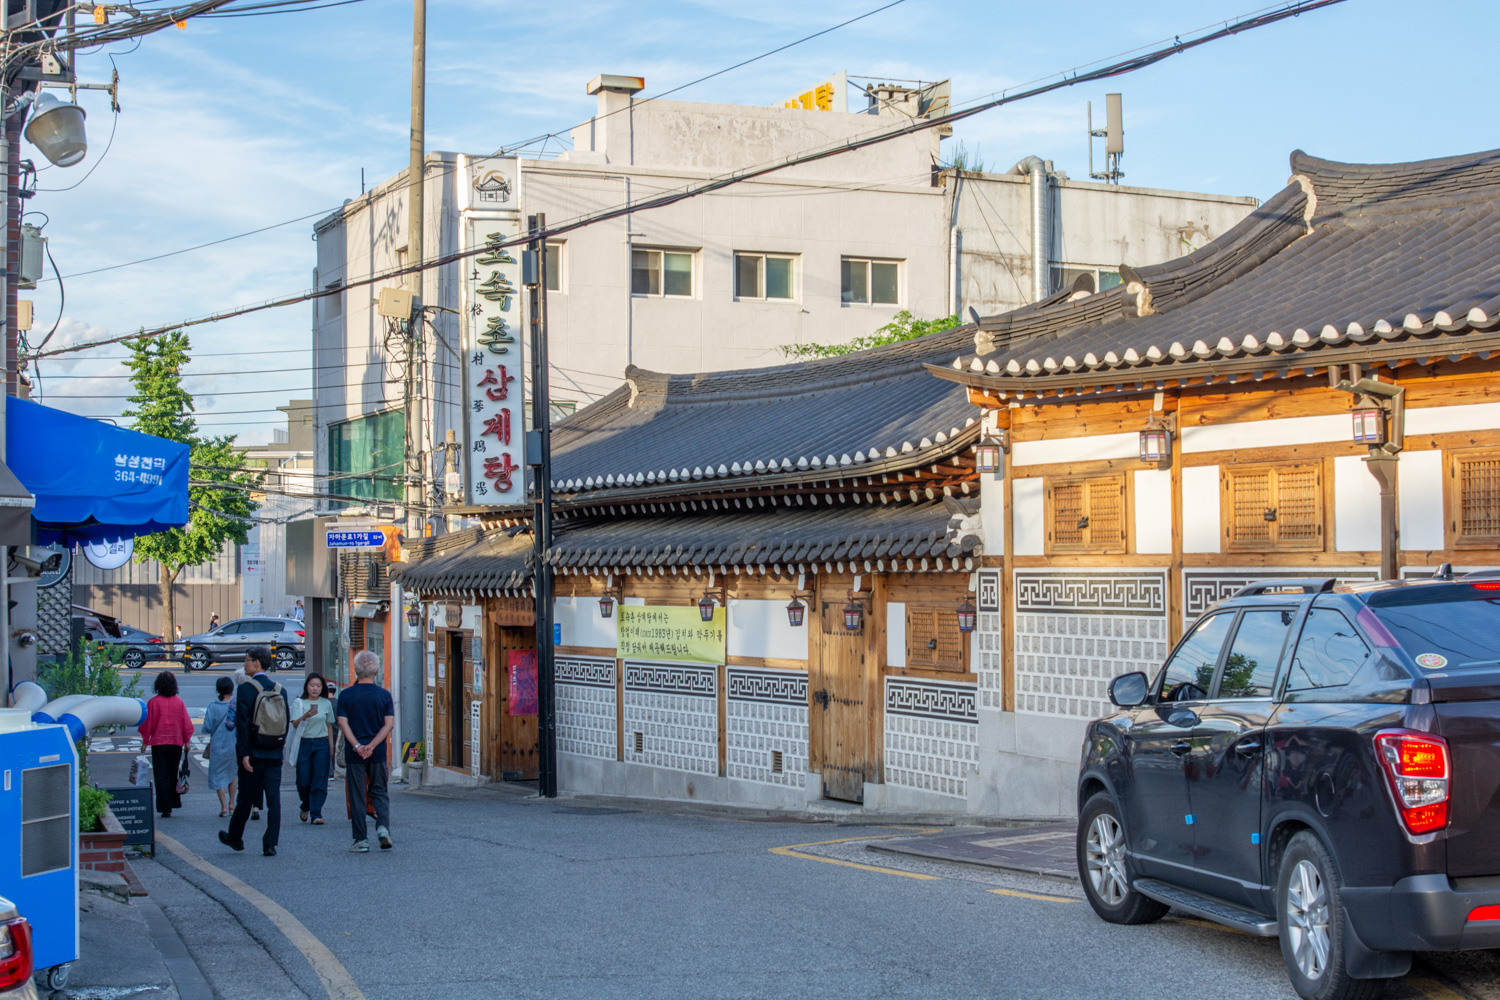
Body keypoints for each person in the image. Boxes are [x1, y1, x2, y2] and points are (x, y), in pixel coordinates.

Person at [219, 646, 289, 857]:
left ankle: (235, 837)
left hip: (254, 753)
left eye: (247, 660)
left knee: (246, 798)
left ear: (257, 663)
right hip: (274, 752)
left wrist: (244, 754)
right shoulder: (280, 690)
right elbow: (284, 723)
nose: (245, 664)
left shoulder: (246, 689)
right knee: (274, 800)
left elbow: (242, 724)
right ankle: (270, 844)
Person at [337, 650, 394, 852]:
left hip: (355, 754)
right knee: (379, 791)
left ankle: (361, 840)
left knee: (357, 794)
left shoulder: (346, 695)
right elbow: (389, 724)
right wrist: (372, 745)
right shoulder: (384, 695)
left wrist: (358, 746)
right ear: (376, 671)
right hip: (377, 753)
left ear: (355, 670)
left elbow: (342, 723)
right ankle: (383, 827)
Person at [139, 671, 194, 818]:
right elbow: (185, 723)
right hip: (175, 742)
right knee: (172, 773)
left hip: (159, 743)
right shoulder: (179, 702)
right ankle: (173, 801)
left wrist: (145, 742)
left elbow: (147, 724)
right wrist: (187, 741)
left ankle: (165, 807)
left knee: (160, 774)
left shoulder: (153, 702)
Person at [293, 672, 334, 824]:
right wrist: (305, 716)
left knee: (320, 779)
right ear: (306, 687)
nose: (315, 688)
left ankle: (316, 813)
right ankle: (305, 805)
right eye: (312, 685)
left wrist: (331, 746)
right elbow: (295, 724)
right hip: (304, 742)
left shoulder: (326, 703)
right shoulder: (299, 702)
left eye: (318, 686)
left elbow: (329, 726)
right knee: (303, 780)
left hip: (322, 742)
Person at [202, 676, 239, 818]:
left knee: (218, 775)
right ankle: (232, 804)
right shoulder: (236, 704)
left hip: (217, 745)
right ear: (232, 689)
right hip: (233, 744)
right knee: (233, 774)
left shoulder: (213, 706)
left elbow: (207, 727)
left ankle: (223, 806)